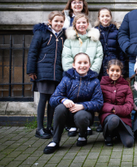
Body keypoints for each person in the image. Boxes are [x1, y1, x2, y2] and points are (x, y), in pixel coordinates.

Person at [43, 53, 103, 154]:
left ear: (89, 65)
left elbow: (99, 103)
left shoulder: (95, 81)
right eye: (79, 62)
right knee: (60, 108)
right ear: (74, 65)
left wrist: (83, 106)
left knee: (81, 115)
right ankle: (55, 140)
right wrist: (63, 100)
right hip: (68, 114)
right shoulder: (67, 79)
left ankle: (82, 136)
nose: (82, 65)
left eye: (85, 63)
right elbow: (53, 98)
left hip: (84, 114)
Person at [62, 13, 103, 136]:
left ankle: (86, 124)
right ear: (75, 24)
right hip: (73, 75)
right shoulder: (70, 40)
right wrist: (73, 72)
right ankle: (73, 125)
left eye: (84, 22)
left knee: (88, 99)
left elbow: (98, 56)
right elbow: (66, 57)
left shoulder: (94, 39)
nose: (81, 25)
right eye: (78, 23)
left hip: (90, 76)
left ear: (87, 24)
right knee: (73, 97)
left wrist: (91, 72)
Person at [27, 11, 66, 139]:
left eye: (61, 21)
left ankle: (49, 126)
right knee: (43, 99)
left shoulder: (63, 36)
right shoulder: (41, 33)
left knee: (53, 101)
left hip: (57, 73)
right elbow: (33, 52)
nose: (58, 23)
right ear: (50, 22)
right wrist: (31, 70)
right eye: (56, 21)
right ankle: (39, 128)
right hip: (43, 72)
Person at [100, 59, 134, 147]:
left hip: (123, 118)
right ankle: (108, 135)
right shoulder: (101, 85)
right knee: (114, 119)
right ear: (107, 71)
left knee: (129, 143)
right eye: (112, 70)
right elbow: (99, 103)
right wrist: (112, 109)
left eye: (117, 70)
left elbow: (129, 105)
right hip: (108, 116)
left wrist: (116, 110)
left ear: (121, 71)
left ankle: (118, 133)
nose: (115, 73)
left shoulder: (126, 86)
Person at [94, 7, 125, 78]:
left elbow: (121, 52)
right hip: (99, 64)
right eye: (102, 16)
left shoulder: (117, 32)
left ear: (111, 17)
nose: (105, 18)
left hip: (113, 63)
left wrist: (122, 70)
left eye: (107, 16)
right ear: (99, 18)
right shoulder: (95, 32)